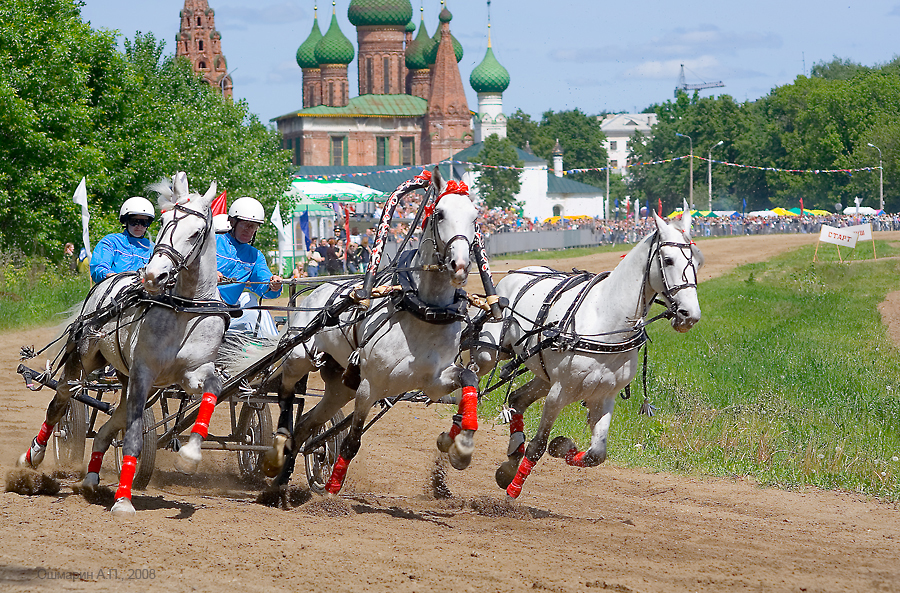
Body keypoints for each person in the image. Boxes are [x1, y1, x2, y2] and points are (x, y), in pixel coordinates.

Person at [216, 196, 283, 337]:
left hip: (226, 315)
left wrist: (273, 285)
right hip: (199, 309)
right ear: (233, 222)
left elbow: (263, 283)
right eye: (245, 225)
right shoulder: (212, 242)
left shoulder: (255, 256)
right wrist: (208, 274)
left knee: (254, 304)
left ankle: (273, 349)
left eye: (253, 226)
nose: (249, 230)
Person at [90, 197, 155, 284]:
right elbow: (98, 268)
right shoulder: (111, 242)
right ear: (126, 221)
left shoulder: (154, 248)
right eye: (134, 221)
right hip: (115, 289)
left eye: (144, 222)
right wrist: (109, 275)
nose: (139, 226)